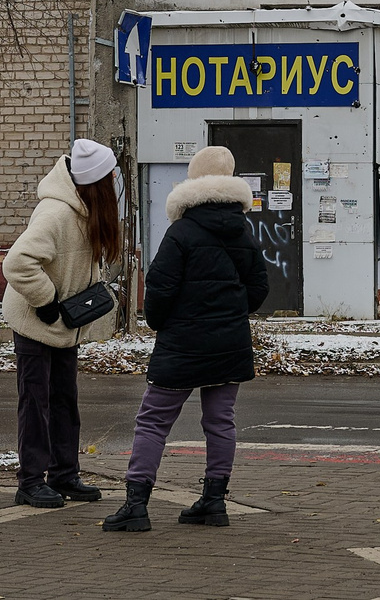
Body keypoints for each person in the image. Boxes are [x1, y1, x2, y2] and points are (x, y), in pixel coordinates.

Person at [102, 144, 266, 533]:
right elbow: (259, 288)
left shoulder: (181, 232)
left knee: (153, 420)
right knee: (221, 420)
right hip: (229, 341)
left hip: (182, 342)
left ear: (193, 181)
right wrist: (231, 312)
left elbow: (159, 289)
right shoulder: (243, 231)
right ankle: (214, 502)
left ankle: (136, 505)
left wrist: (161, 323)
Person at [3, 137, 125, 509]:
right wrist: (46, 301)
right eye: (110, 176)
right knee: (35, 402)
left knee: (64, 402)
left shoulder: (85, 209)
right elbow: (17, 263)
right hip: (35, 321)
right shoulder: (56, 212)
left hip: (64, 326)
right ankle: (30, 482)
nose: (115, 181)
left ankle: (64, 474)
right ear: (96, 182)